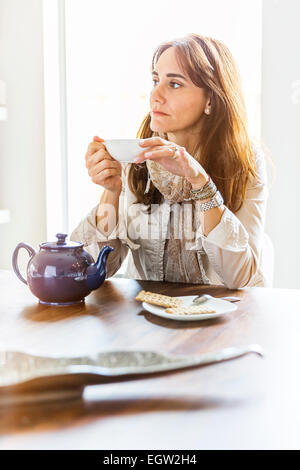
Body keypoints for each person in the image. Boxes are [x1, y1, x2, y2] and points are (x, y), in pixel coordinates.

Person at [70, 33, 270, 289]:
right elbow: (96, 269)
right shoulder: (138, 156)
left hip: (218, 321)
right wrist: (111, 191)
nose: (155, 95)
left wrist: (200, 183)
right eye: (155, 80)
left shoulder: (245, 160)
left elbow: (242, 278)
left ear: (210, 99)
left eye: (174, 84)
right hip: (147, 320)